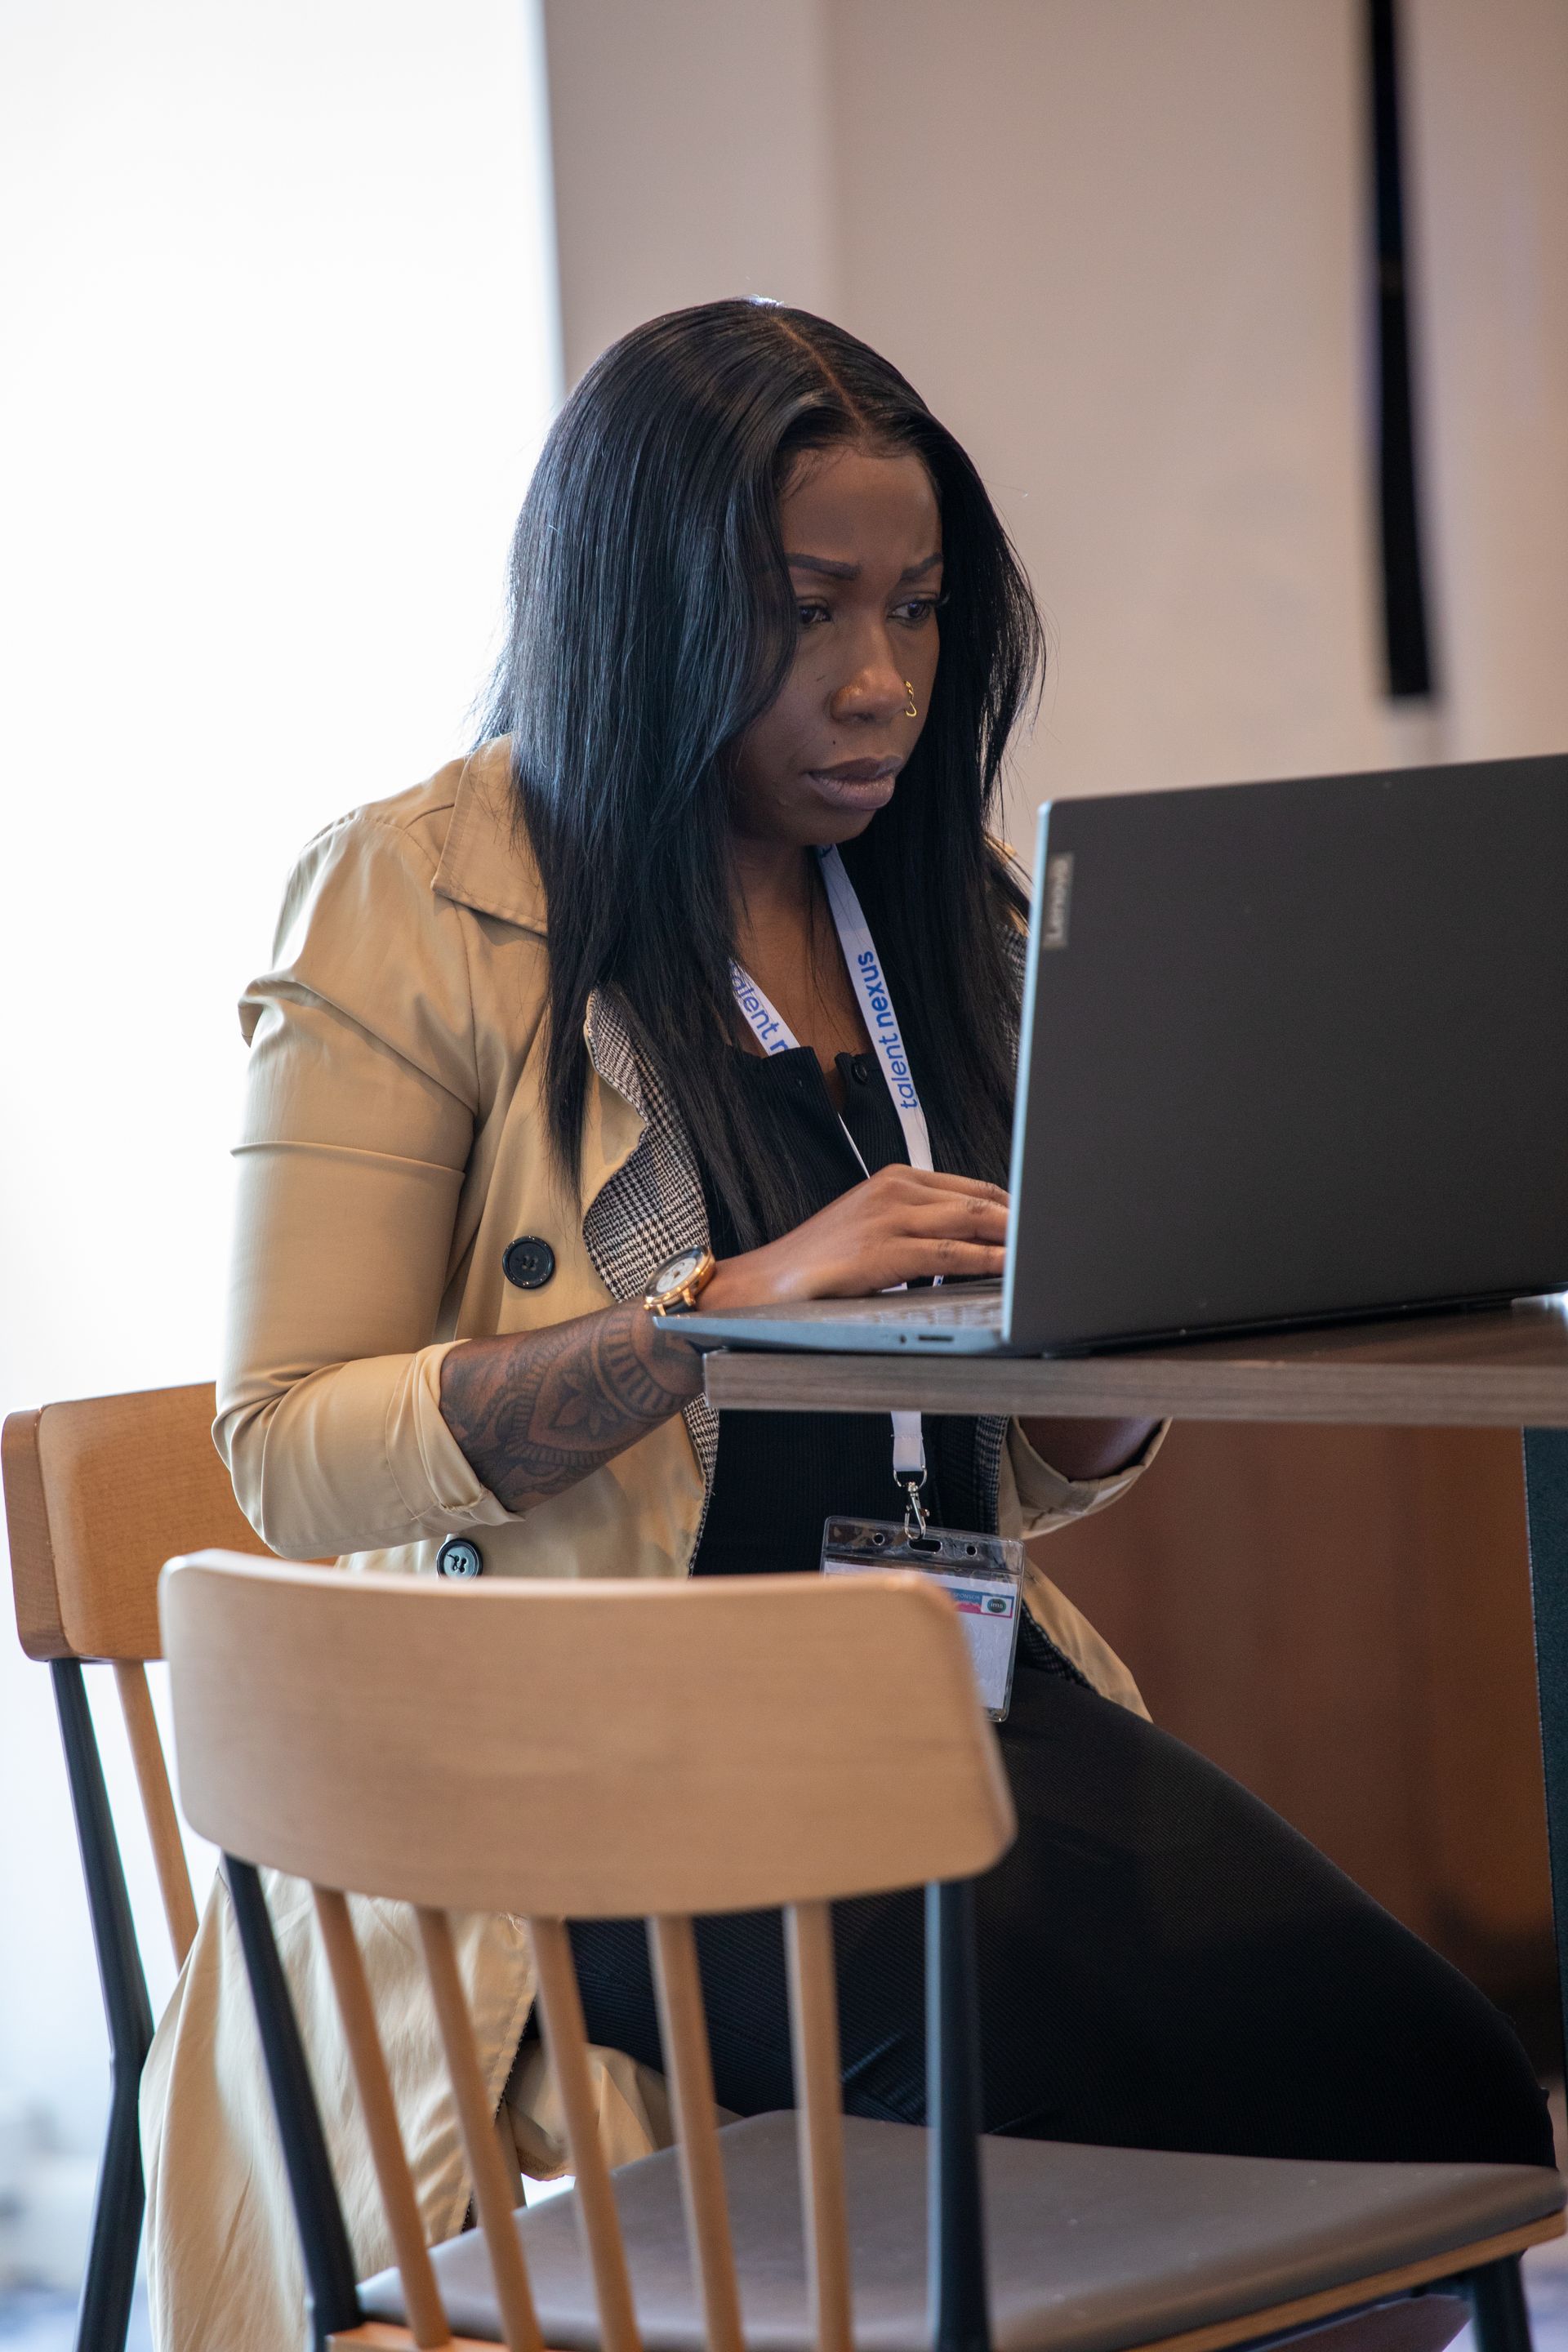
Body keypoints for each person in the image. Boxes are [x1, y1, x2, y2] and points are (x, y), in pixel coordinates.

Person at [141, 301, 1551, 2352]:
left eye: (917, 609)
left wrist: (1110, 1352)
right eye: (811, 614)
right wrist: (706, 1316)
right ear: (643, 608)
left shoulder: (947, 902)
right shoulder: (414, 899)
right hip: (594, 1763)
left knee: (1436, 2116)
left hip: (944, 1699)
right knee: (1150, 2136)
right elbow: (279, 1447)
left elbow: (1017, 1460)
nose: (880, 682)